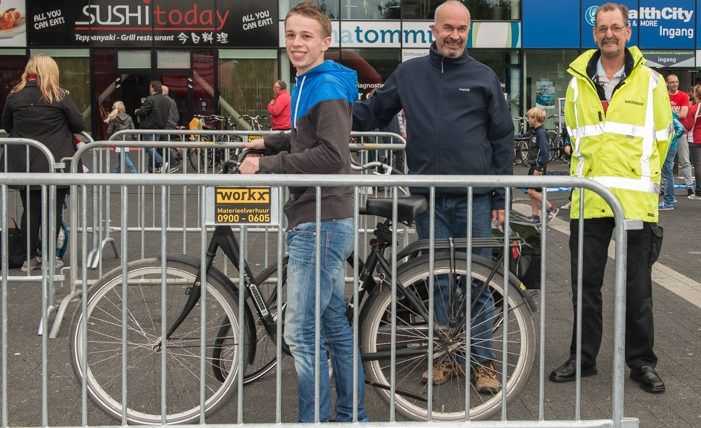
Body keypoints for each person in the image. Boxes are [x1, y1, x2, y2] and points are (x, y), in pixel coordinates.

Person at [352, 0, 513, 394]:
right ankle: (445, 355)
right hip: (427, 198)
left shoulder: (484, 77)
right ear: (433, 30)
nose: (454, 35)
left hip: (474, 197)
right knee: (437, 280)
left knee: (476, 283)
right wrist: (329, 113)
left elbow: (502, 139)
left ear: (467, 31)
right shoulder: (409, 74)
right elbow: (373, 113)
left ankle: (482, 361)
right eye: (448, 28)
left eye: (461, 28)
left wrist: (499, 198)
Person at [238, 1, 367, 423]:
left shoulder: (324, 87)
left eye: (306, 36)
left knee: (301, 334)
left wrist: (267, 164)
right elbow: (305, 137)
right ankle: (351, 417)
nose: (296, 42)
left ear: (325, 42)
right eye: (291, 34)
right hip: (323, 216)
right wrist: (271, 143)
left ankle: (315, 420)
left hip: (321, 220)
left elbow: (330, 154)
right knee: (332, 327)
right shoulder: (312, 80)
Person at [551, 3, 671, 394]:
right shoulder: (575, 83)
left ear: (628, 32)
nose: (609, 34)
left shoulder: (652, 83)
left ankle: (642, 363)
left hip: (635, 202)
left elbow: (662, 142)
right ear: (595, 34)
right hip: (589, 201)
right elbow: (574, 139)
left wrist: (646, 184)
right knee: (584, 285)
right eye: (602, 28)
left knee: (638, 289)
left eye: (616, 27)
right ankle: (583, 359)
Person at [0, 54, 86, 271]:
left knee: (31, 210)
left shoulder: (14, 96)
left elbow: (6, 125)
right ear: (51, 71)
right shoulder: (59, 95)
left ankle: (29, 259)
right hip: (56, 162)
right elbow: (78, 124)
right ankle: (50, 258)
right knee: (53, 211)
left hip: (25, 161)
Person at [518, 106, 559, 223]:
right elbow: (524, 136)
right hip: (533, 165)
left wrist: (539, 167)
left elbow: (545, 152)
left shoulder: (541, 133)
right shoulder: (533, 131)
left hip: (537, 166)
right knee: (531, 191)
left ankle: (552, 208)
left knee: (531, 191)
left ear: (535, 118)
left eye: (529, 117)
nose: (527, 120)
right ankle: (535, 216)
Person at [666, 74, 695, 196]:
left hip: (680, 132)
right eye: (672, 82)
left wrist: (669, 113)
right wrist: (676, 112)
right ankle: (663, 186)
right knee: (665, 161)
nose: (675, 84)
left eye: (676, 82)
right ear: (667, 83)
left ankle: (689, 186)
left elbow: (684, 114)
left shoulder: (683, 95)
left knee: (685, 160)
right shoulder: (663, 95)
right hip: (666, 132)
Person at [135, 80, 171, 173]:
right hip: (160, 128)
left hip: (149, 127)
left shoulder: (150, 99)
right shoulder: (166, 100)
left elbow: (143, 112)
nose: (149, 89)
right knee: (153, 149)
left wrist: (136, 112)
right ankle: (151, 170)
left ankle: (161, 163)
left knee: (148, 148)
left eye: (150, 87)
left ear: (153, 88)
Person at [658, 112, 685, 210]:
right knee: (667, 172)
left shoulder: (667, 113)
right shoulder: (668, 112)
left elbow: (681, 128)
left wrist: (671, 140)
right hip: (668, 146)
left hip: (668, 147)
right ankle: (670, 197)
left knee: (666, 173)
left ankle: (668, 201)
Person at [104, 101, 138, 174]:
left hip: (117, 139)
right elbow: (132, 129)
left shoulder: (113, 118)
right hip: (127, 139)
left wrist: (110, 138)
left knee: (122, 155)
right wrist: (135, 139)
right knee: (122, 155)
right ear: (123, 108)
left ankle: (133, 171)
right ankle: (117, 171)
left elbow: (109, 131)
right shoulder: (129, 117)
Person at [161, 85, 180, 172]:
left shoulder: (163, 100)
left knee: (163, 146)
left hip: (166, 126)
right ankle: (162, 164)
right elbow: (176, 115)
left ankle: (172, 164)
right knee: (163, 145)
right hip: (171, 125)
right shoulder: (171, 101)